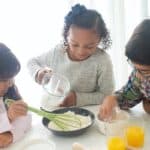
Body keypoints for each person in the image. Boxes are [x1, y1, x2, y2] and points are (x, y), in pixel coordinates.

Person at [27, 4, 114, 108]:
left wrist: (77, 98)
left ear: (99, 40)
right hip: (56, 109)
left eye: (89, 46)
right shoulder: (58, 52)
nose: (80, 51)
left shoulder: (102, 60)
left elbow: (107, 95)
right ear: (66, 36)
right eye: (74, 44)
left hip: (87, 113)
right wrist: (38, 72)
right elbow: (32, 62)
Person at [99, 19, 150, 120]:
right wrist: (114, 99)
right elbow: (129, 96)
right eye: (134, 67)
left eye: (144, 71)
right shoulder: (138, 76)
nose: (138, 75)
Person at [0, 43, 31, 148]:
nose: (10, 84)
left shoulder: (8, 92)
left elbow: (27, 117)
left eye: (11, 78)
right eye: (4, 80)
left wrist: (11, 135)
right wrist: (8, 118)